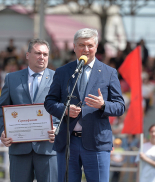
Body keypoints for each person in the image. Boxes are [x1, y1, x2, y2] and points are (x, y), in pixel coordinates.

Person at [44, 28, 125, 182]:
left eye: (90, 45)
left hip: (97, 142)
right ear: (74, 47)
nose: (86, 49)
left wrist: (103, 105)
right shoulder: (63, 72)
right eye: (81, 45)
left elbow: (120, 106)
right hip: (68, 142)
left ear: (96, 47)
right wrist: (65, 110)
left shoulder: (109, 72)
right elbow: (49, 102)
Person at [0, 38, 58, 182]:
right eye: (38, 53)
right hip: (19, 148)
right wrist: (3, 131)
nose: (42, 57)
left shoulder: (57, 78)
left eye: (45, 54)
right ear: (28, 55)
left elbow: (64, 109)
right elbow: (1, 108)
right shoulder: (12, 78)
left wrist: (57, 128)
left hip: (48, 148)